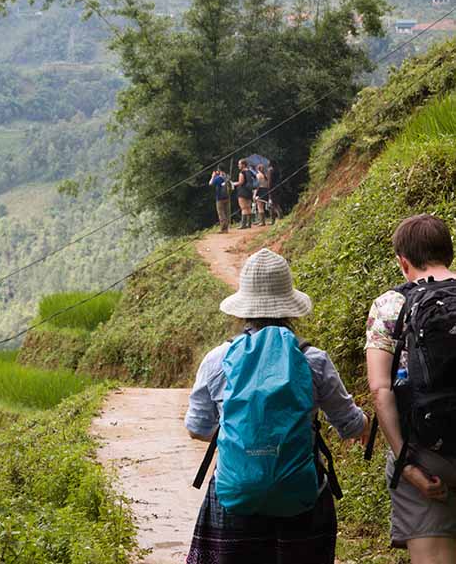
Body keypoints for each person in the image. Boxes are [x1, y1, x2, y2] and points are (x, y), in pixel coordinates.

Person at [185, 248, 369, 564]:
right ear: (290, 307)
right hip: (303, 499)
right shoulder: (313, 360)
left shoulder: (218, 360)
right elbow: (350, 426)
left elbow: (197, 429)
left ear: (244, 308)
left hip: (234, 496)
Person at [365, 214, 456, 563]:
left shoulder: (390, 305)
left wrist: (405, 465)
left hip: (427, 452)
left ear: (403, 263)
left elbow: (379, 388)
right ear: (448, 252)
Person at [232, 159, 255, 229]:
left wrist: (233, 183)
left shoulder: (242, 173)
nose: (238, 165)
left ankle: (243, 224)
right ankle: (249, 223)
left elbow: (241, 182)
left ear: (243, 165)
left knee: (243, 207)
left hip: (242, 191)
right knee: (248, 207)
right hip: (249, 191)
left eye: (239, 164)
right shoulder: (250, 172)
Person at [209, 168, 231, 233]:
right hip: (227, 197)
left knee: (221, 213)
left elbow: (210, 183)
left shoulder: (218, 178)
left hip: (219, 198)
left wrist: (213, 176)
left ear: (219, 171)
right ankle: (226, 228)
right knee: (227, 212)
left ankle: (223, 229)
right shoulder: (227, 177)